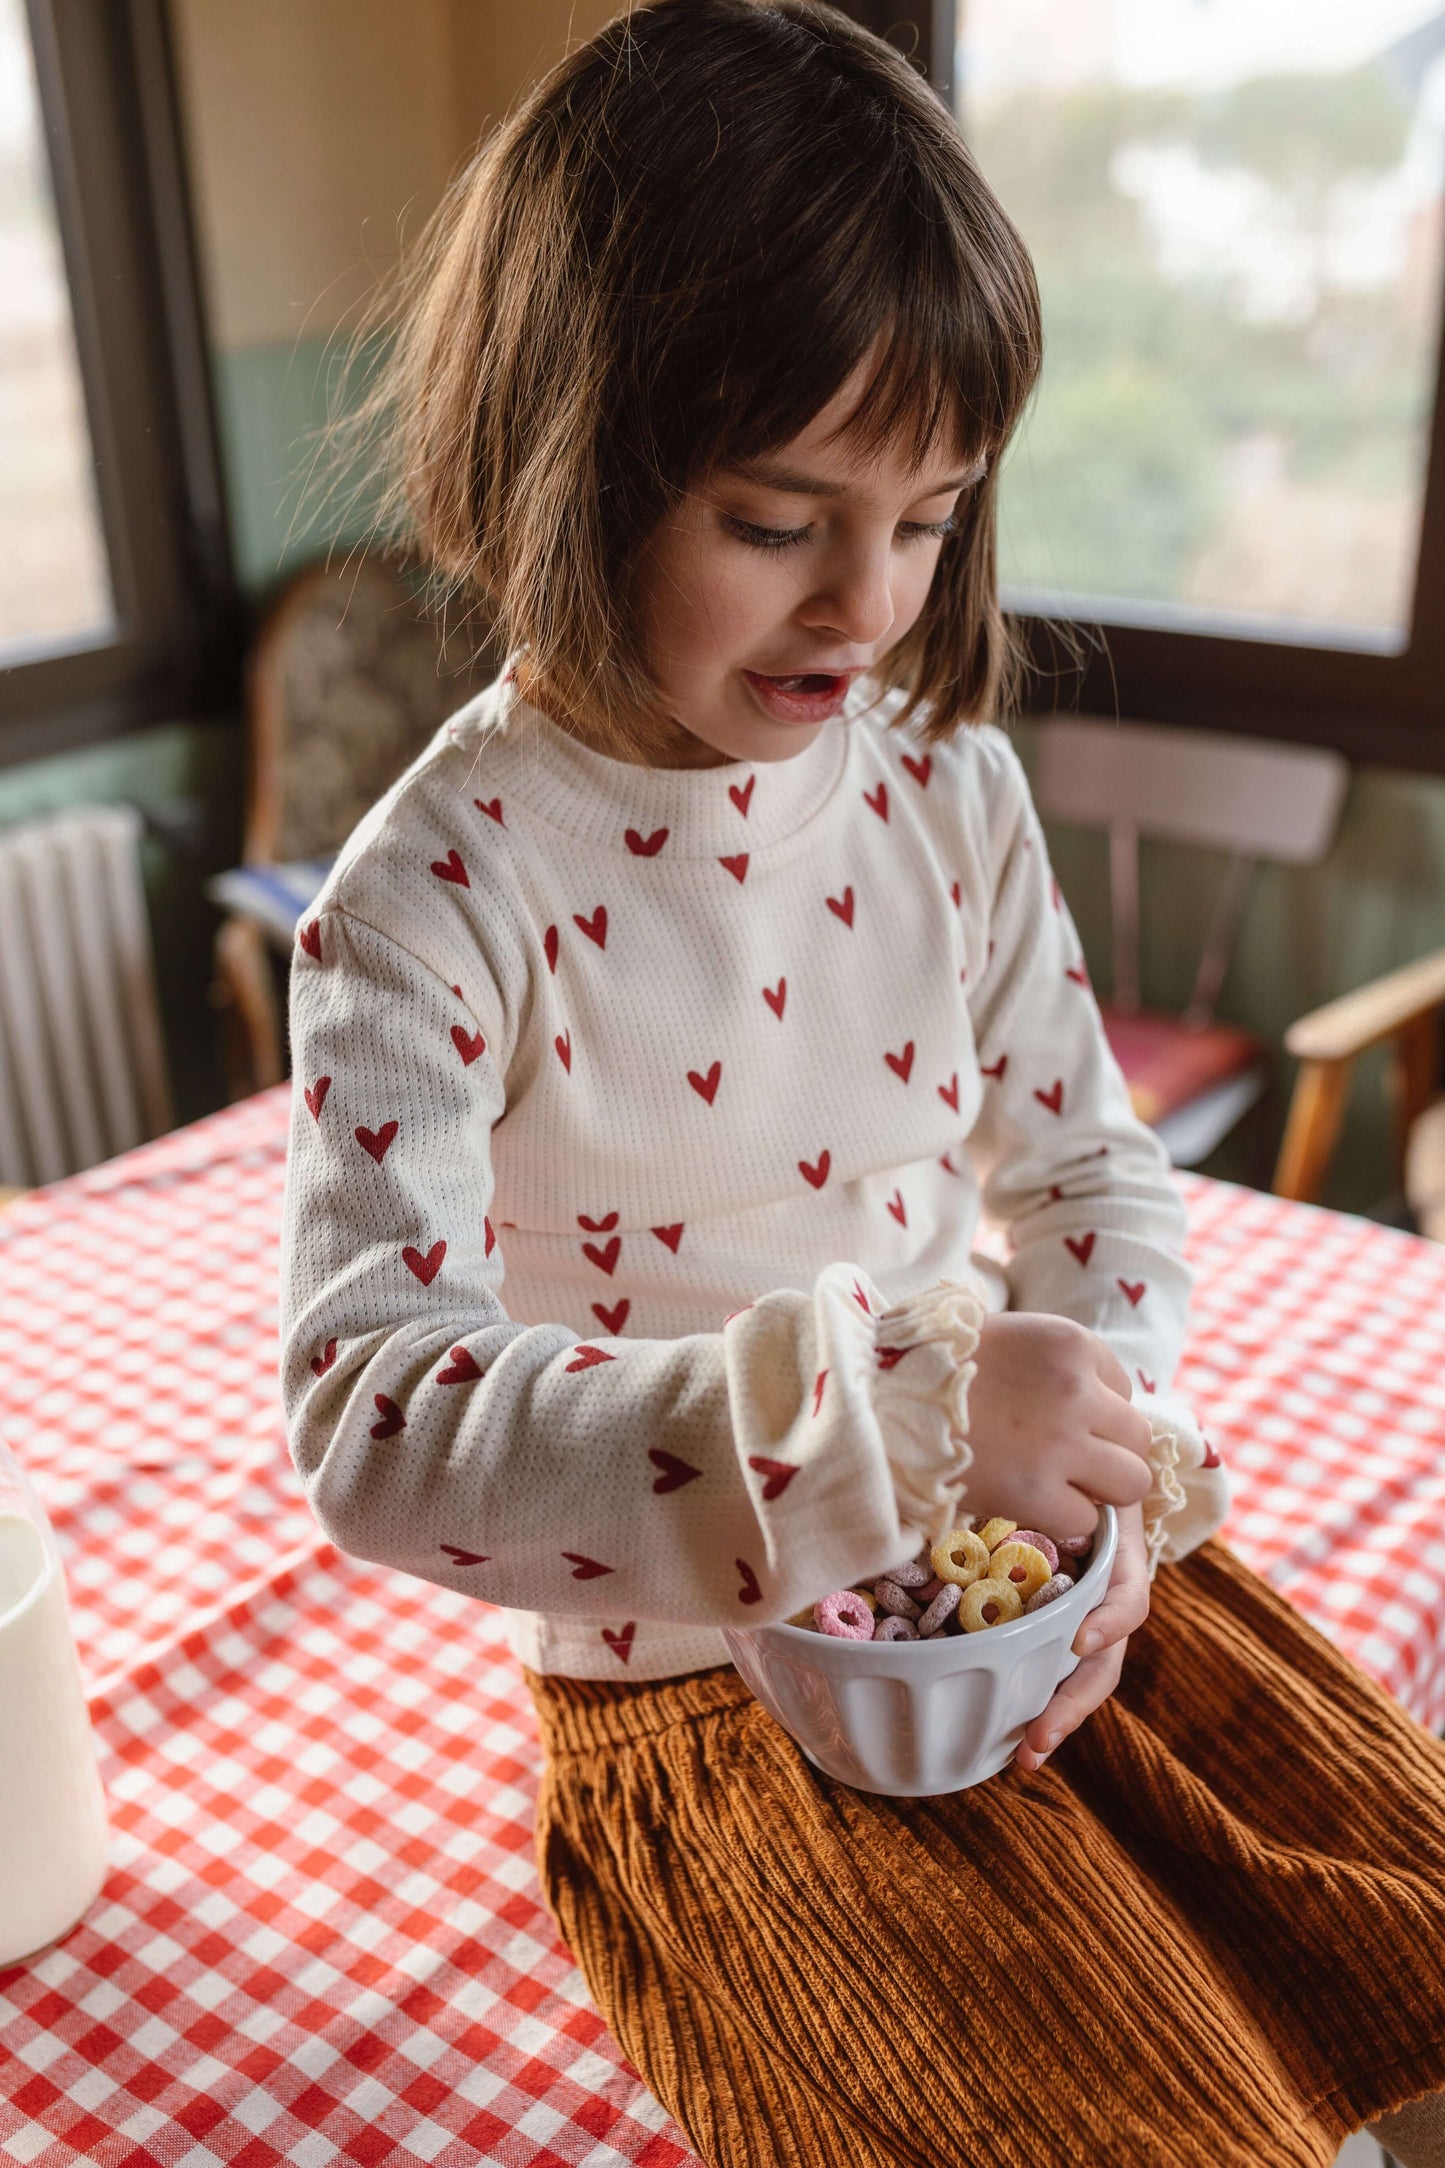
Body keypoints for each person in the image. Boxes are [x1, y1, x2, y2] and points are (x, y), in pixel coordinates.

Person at [278, 4, 1445, 2161]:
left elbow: (1093, 1171)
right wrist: (894, 1406)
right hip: (693, 1681)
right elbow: (372, 1418)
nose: (870, 600)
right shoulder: (431, 892)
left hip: (1026, 1578)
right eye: (779, 515)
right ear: (571, 453)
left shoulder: (949, 785)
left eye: (929, 517)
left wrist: (1073, 1455)